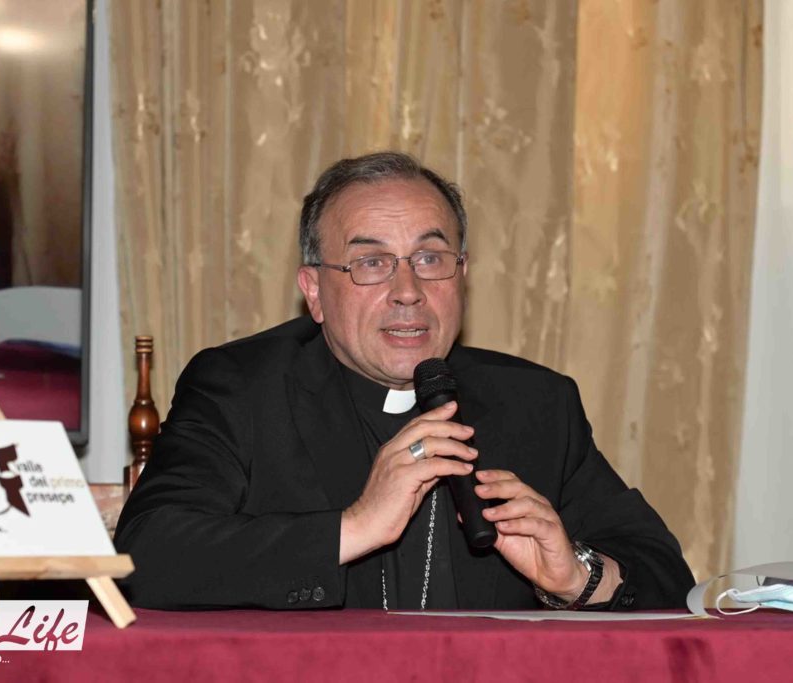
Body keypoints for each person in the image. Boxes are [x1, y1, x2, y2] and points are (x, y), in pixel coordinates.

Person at [114, 152, 695, 611]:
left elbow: (667, 577)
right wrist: (355, 526)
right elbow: (147, 555)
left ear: (461, 275)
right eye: (371, 263)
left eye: (430, 259)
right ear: (314, 291)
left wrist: (575, 576)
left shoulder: (536, 403)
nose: (408, 291)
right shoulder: (242, 388)